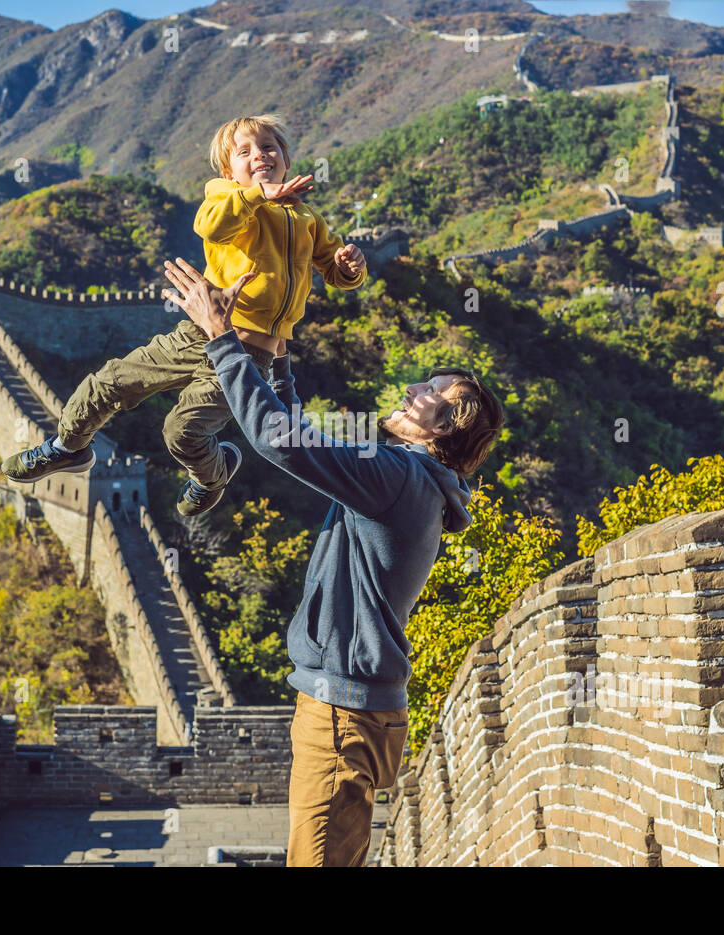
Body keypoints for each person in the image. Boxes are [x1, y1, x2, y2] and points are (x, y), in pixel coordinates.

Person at [160, 255, 504, 867]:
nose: (412, 388)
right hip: (352, 707)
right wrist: (277, 343)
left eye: (430, 393)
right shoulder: (411, 482)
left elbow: (275, 440)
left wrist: (221, 341)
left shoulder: (398, 477)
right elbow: (295, 431)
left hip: (344, 716)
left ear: (444, 430)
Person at [1, 114, 367, 517]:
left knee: (182, 432)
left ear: (285, 159)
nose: (259, 155)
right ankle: (66, 448)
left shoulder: (307, 218)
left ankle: (213, 475)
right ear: (230, 172)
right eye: (244, 151)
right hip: (196, 335)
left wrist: (350, 267)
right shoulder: (227, 199)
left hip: (246, 358)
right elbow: (210, 225)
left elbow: (333, 271)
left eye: (268, 147)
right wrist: (258, 195)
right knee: (107, 382)